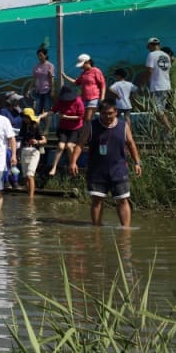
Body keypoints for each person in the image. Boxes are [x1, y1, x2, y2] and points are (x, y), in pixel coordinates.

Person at [69, 99, 142, 227]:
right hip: (97, 171)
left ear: (116, 112)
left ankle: (126, 230)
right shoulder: (91, 126)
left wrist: (137, 162)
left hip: (119, 170)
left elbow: (131, 144)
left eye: (110, 113)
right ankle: (96, 229)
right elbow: (80, 144)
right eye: (104, 113)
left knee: (123, 200)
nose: (107, 116)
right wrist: (73, 161)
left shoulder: (123, 126)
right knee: (97, 201)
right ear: (99, 113)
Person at [41, 85, 85, 177]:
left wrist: (66, 117)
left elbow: (81, 117)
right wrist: (42, 116)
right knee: (61, 146)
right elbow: (52, 111)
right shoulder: (61, 102)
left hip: (75, 128)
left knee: (69, 145)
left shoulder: (78, 101)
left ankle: (72, 165)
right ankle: (54, 167)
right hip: (63, 128)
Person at [62, 53, 105, 122]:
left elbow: (102, 84)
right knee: (84, 119)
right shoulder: (83, 73)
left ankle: (88, 132)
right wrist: (65, 77)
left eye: (82, 65)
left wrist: (102, 98)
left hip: (93, 99)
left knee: (88, 119)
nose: (81, 67)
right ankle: (88, 132)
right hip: (84, 99)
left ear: (87, 62)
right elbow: (76, 82)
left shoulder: (96, 71)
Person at [18, 107, 46, 200]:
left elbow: (44, 140)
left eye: (26, 117)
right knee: (26, 176)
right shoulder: (23, 126)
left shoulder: (36, 126)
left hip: (34, 151)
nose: (24, 119)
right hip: (24, 150)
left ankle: (31, 198)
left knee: (30, 175)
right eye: (23, 117)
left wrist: (37, 142)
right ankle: (28, 195)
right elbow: (21, 139)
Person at [144, 37, 172, 129]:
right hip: (166, 85)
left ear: (151, 45)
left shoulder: (151, 55)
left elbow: (149, 70)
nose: (148, 48)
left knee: (157, 110)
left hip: (157, 86)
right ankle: (163, 130)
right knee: (161, 110)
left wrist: (144, 82)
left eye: (148, 47)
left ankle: (169, 129)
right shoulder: (166, 55)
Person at [0, 92, 24, 189]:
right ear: (11, 102)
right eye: (16, 100)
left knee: (15, 163)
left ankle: (15, 181)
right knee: (6, 162)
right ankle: (6, 181)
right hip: (8, 142)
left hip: (18, 141)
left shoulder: (20, 112)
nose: (19, 102)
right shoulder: (3, 112)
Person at [29, 47, 55, 117]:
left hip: (47, 90)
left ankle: (47, 128)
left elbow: (51, 78)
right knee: (37, 110)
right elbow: (34, 78)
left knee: (47, 110)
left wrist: (52, 90)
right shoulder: (36, 66)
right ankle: (38, 127)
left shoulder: (50, 66)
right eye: (38, 55)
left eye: (41, 55)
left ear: (45, 55)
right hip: (38, 91)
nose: (39, 57)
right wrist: (29, 89)